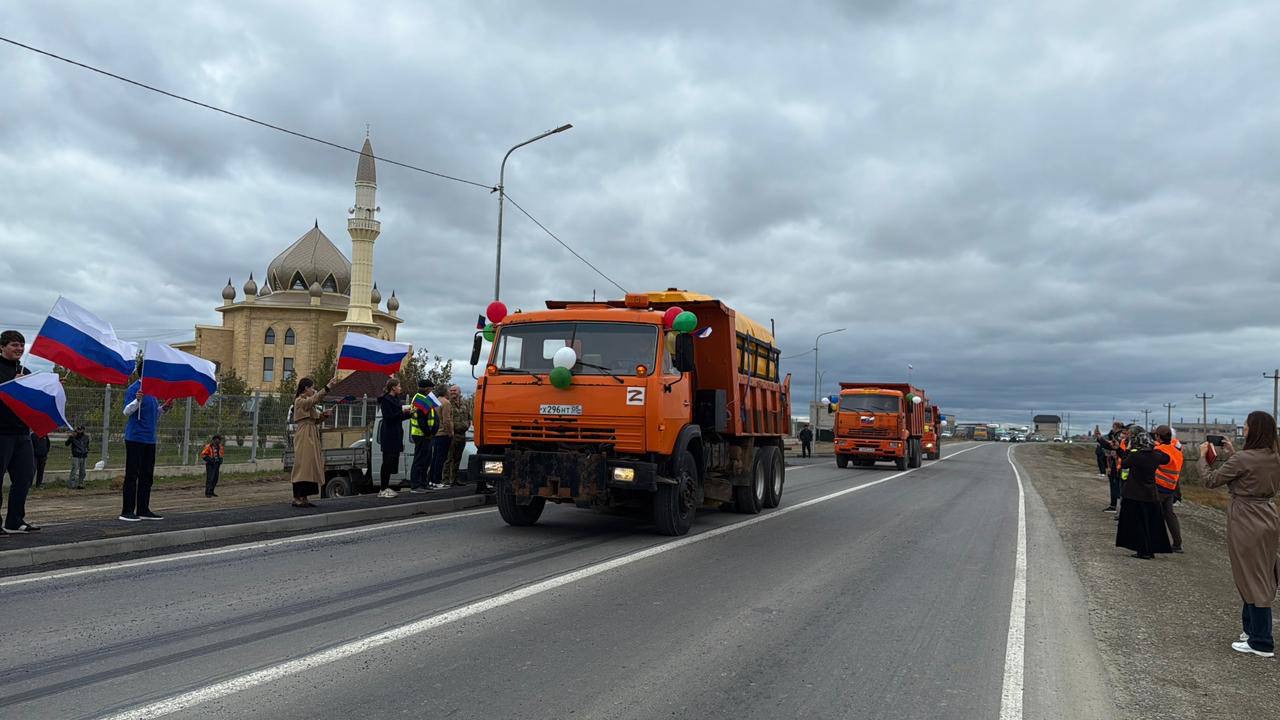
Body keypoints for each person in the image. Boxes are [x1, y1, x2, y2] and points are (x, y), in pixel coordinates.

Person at [1198, 410, 1280, 659]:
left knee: (1251, 577)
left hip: (1246, 518)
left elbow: (1211, 480)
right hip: (1267, 515)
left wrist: (1203, 458)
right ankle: (1251, 630)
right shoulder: (1274, 457)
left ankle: (1261, 641)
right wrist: (1233, 454)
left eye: (1245, 426)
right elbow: (1251, 472)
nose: (1243, 429)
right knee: (1258, 572)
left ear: (1253, 430)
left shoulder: (1244, 459)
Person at [0, 329, 39, 534]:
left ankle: (15, 520)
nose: (20, 349)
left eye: (22, 345)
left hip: (22, 433)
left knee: (25, 476)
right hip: (1, 433)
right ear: (2, 347)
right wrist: (12, 385)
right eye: (15, 345)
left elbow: (31, 401)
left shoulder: (25, 371)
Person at [120, 376, 174, 521]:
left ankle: (143, 509)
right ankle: (127, 511)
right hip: (135, 438)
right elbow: (126, 411)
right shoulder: (134, 389)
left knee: (147, 475)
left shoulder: (153, 390)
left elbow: (152, 414)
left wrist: (163, 408)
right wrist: (137, 400)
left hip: (150, 439)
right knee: (132, 475)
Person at [1115, 425, 1172, 559]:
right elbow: (1167, 459)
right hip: (1151, 494)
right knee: (1150, 524)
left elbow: (1124, 463)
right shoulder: (1156, 455)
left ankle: (1142, 551)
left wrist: (1125, 450)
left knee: (1137, 524)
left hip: (1134, 494)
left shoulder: (1135, 456)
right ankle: (1150, 550)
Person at [290, 377, 332, 507]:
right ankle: (297, 497)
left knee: (311, 465)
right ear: (306, 388)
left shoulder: (307, 404)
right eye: (312, 388)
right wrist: (327, 388)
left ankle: (305, 496)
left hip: (312, 433)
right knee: (303, 465)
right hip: (304, 435)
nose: (313, 390)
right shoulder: (300, 401)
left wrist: (324, 415)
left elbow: (314, 420)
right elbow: (313, 401)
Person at [1152, 425, 1185, 553]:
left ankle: (1155, 543)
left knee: (1154, 515)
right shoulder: (1177, 451)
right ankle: (1177, 544)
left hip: (1159, 487)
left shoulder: (1159, 451)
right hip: (1171, 488)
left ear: (1158, 437)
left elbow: (1150, 464)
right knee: (1170, 515)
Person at [408, 379, 439, 493]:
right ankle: (416, 485)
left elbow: (432, 414)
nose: (432, 390)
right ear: (426, 388)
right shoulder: (419, 398)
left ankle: (423, 483)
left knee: (426, 460)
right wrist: (428, 433)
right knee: (419, 460)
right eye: (431, 388)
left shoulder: (424, 398)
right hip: (421, 435)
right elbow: (421, 419)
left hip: (426, 435)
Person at [377, 378, 406, 498]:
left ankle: (386, 487)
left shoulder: (396, 400)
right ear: (393, 387)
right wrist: (403, 412)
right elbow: (389, 417)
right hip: (389, 435)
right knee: (387, 462)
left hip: (396, 433)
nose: (400, 388)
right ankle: (383, 489)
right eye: (399, 386)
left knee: (392, 461)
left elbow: (398, 417)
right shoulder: (386, 400)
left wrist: (410, 413)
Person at [443, 385, 471, 487]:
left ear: (459, 391)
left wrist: (467, 425)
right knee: (448, 458)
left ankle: (454, 479)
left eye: (454, 390)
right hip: (452, 434)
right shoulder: (448, 403)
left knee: (457, 458)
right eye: (451, 390)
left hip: (462, 434)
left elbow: (468, 416)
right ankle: (445, 480)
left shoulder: (465, 403)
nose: (452, 392)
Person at [427, 383, 453, 490]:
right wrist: (450, 432)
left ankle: (432, 480)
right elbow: (446, 420)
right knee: (441, 459)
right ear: (445, 391)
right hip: (443, 433)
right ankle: (437, 481)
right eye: (448, 390)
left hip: (436, 433)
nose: (450, 392)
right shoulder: (446, 403)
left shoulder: (435, 401)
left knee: (435, 458)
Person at [1103, 421, 1127, 513]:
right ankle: (1116, 507)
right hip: (1118, 465)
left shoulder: (1117, 437)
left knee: (1116, 487)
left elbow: (1110, 450)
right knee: (1118, 487)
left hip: (1118, 466)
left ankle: (1115, 507)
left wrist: (1100, 439)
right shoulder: (1118, 437)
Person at [65, 425, 90, 489]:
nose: (79, 431)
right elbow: (66, 444)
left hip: (84, 456)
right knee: (74, 469)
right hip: (76, 456)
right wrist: (70, 437)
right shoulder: (73, 437)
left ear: (83, 430)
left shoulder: (86, 437)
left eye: (80, 429)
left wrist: (87, 450)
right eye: (78, 430)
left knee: (83, 471)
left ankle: (80, 483)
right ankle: (72, 484)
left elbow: (87, 445)